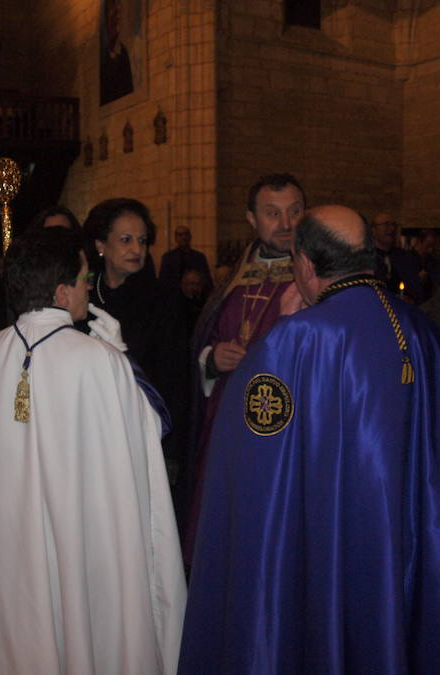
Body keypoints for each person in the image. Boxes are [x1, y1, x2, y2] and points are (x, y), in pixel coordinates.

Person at [180, 205, 440, 673]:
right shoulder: (416, 326)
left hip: (326, 538)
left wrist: (278, 331)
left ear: (304, 263)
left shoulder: (296, 338)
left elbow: (252, 452)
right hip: (402, 530)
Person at [0, 227, 185, 673]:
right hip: (78, 550)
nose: (89, 288)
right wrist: (122, 356)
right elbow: (149, 432)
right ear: (63, 293)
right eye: (85, 279)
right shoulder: (98, 360)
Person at [181, 172, 305, 562]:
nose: (286, 224)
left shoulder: (317, 277)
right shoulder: (232, 281)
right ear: (251, 219)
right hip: (230, 427)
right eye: (273, 213)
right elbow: (204, 340)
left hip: (292, 429)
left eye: (295, 212)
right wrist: (211, 360)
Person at [84, 198, 190, 472]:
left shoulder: (164, 299)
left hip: (143, 431)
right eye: (126, 240)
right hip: (90, 433)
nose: (136, 249)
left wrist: (171, 452)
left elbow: (176, 378)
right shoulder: (83, 298)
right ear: (100, 245)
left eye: (142, 241)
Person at [158, 225, 212, 295]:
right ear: (176, 238)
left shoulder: (199, 257)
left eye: (186, 234)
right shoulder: (168, 258)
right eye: (180, 235)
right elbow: (163, 281)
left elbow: (206, 280)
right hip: (174, 297)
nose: (184, 237)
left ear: (190, 237)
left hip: (195, 297)